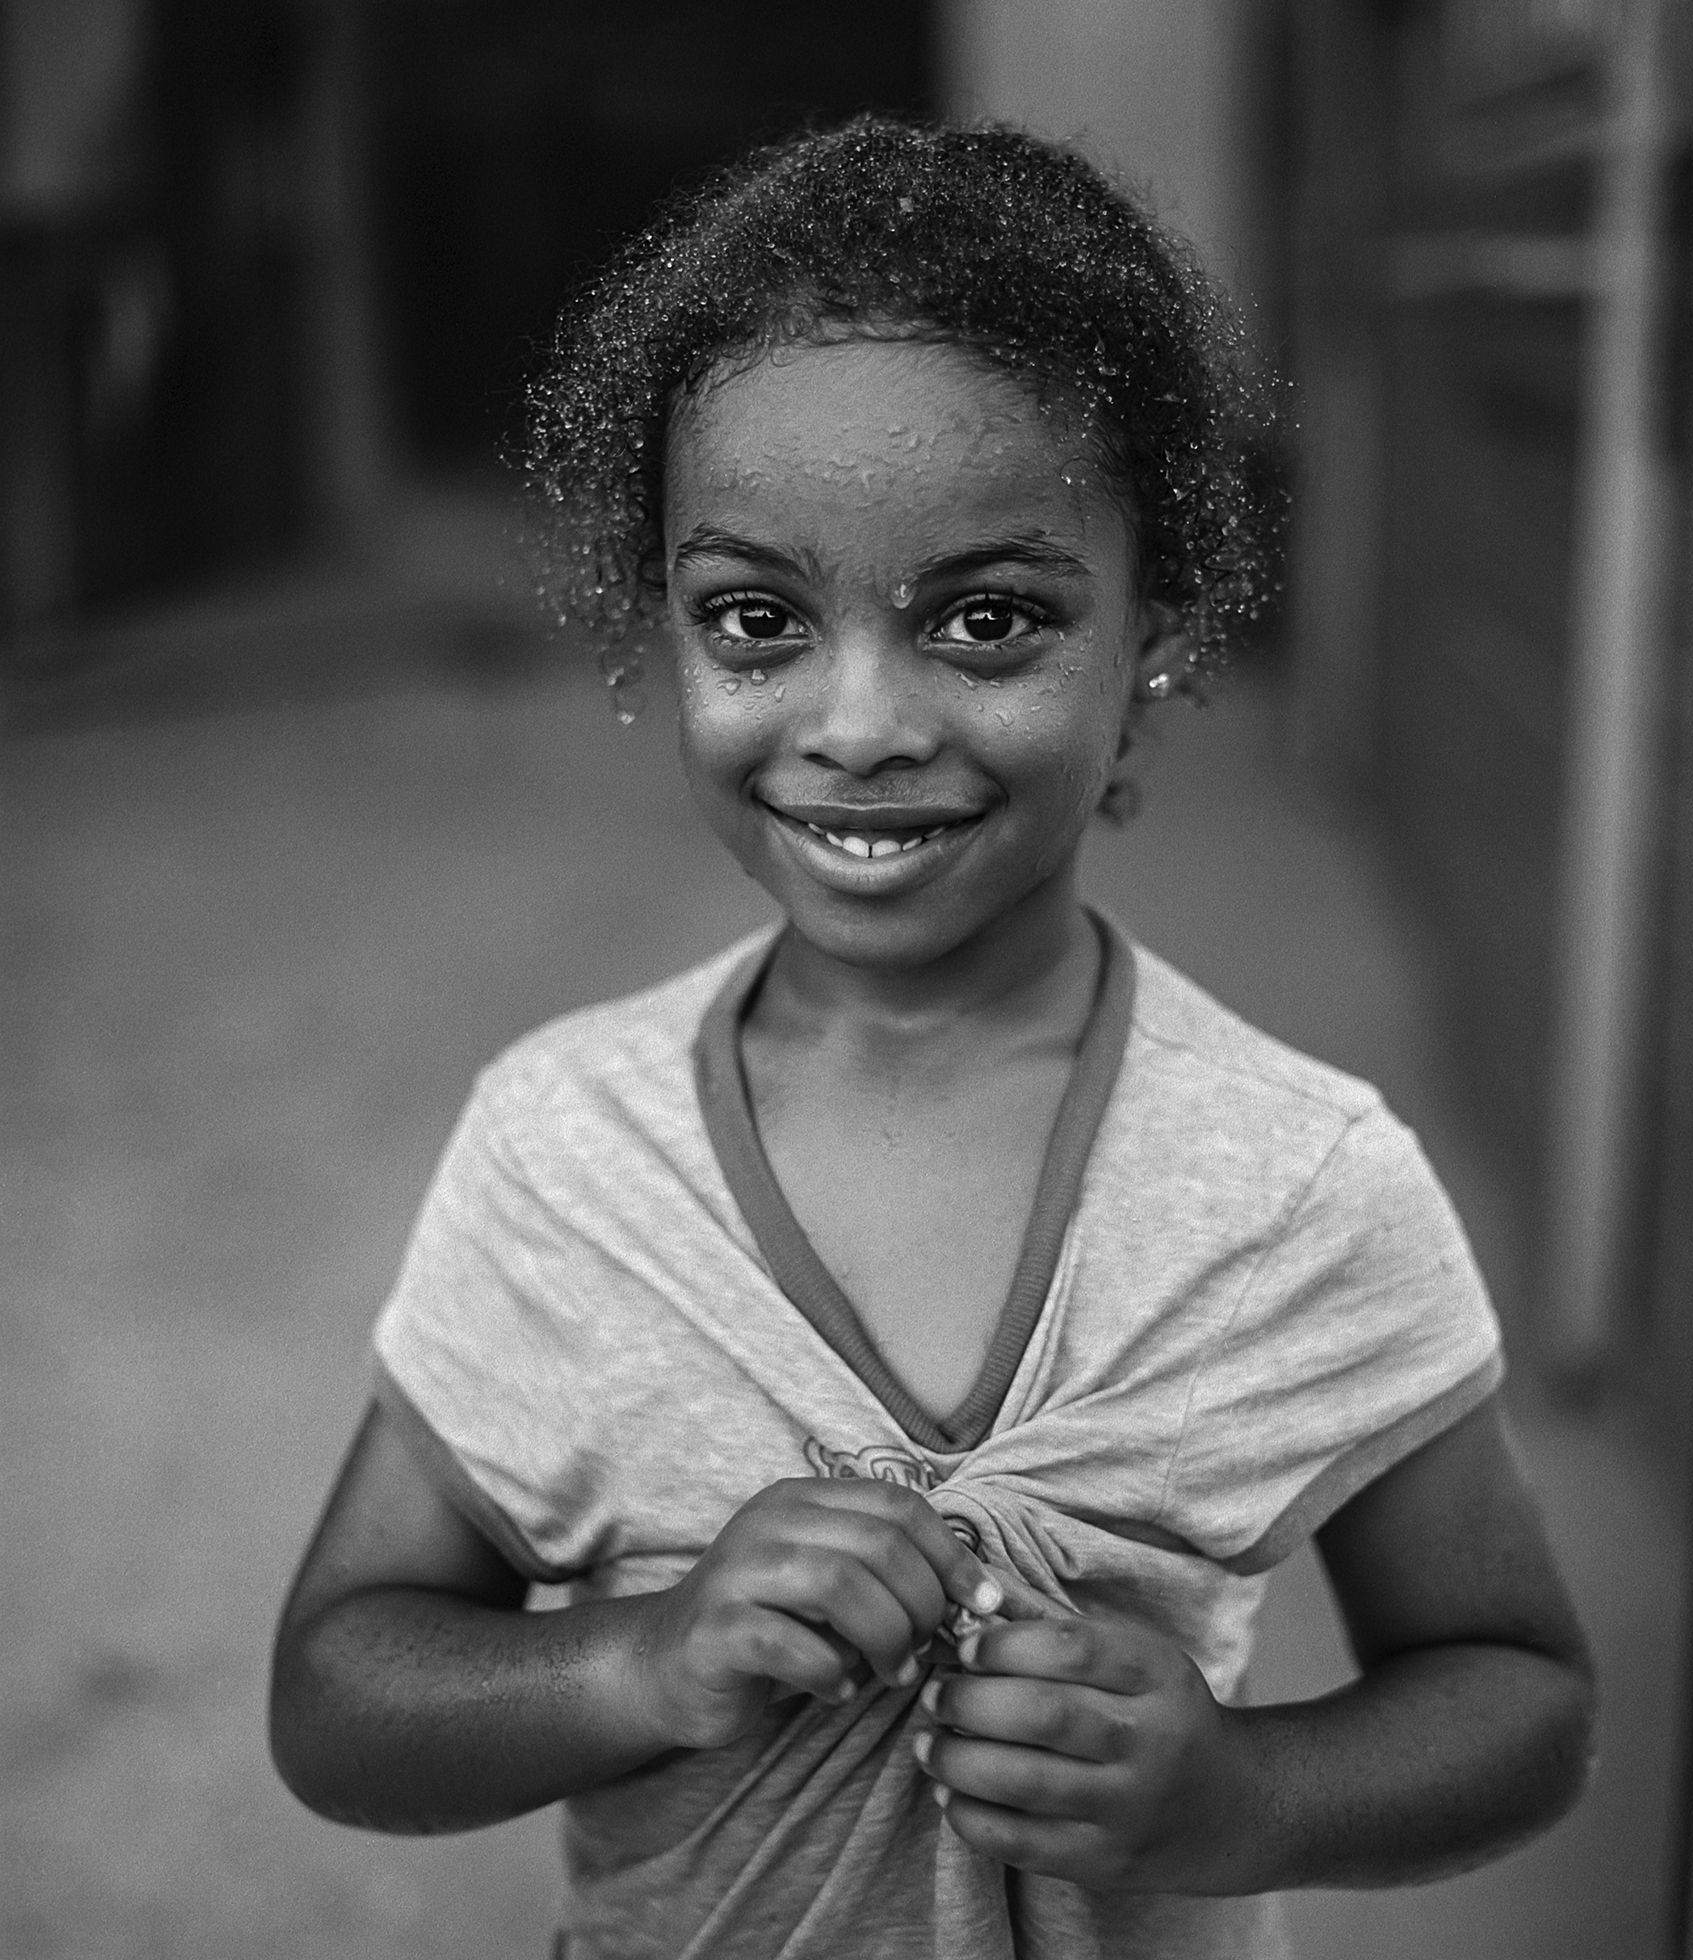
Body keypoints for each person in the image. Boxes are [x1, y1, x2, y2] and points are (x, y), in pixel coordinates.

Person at [268, 116, 1594, 1959]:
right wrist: (643, 1660)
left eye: (986, 619)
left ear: (1158, 635)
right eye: (757, 620)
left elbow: (1517, 1694)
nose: (860, 720)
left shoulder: (1301, 1189)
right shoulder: (567, 1152)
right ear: (664, 623)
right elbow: (340, 1700)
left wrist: (1245, 1795)